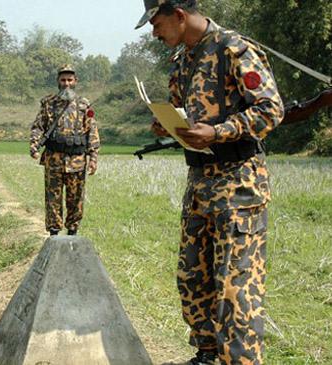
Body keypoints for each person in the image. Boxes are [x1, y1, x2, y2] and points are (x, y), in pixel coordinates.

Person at [135, 1, 284, 364]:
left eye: (156, 23)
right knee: (192, 279)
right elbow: (185, 111)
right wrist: (168, 125)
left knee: (236, 290)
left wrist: (218, 131)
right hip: (200, 182)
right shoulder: (182, 60)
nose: (154, 33)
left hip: (238, 185)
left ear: (179, 15)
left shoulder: (234, 49)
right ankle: (206, 354)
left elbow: (271, 109)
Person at [29, 64, 100, 236]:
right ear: (58, 82)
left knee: (76, 199)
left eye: (70, 80)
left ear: (75, 81)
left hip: (77, 161)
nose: (66, 83)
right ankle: (53, 234)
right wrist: (34, 144)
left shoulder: (84, 105)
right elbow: (38, 126)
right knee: (53, 198)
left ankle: (72, 232)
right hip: (54, 160)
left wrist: (93, 157)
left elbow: (92, 131)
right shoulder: (48, 104)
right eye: (63, 80)